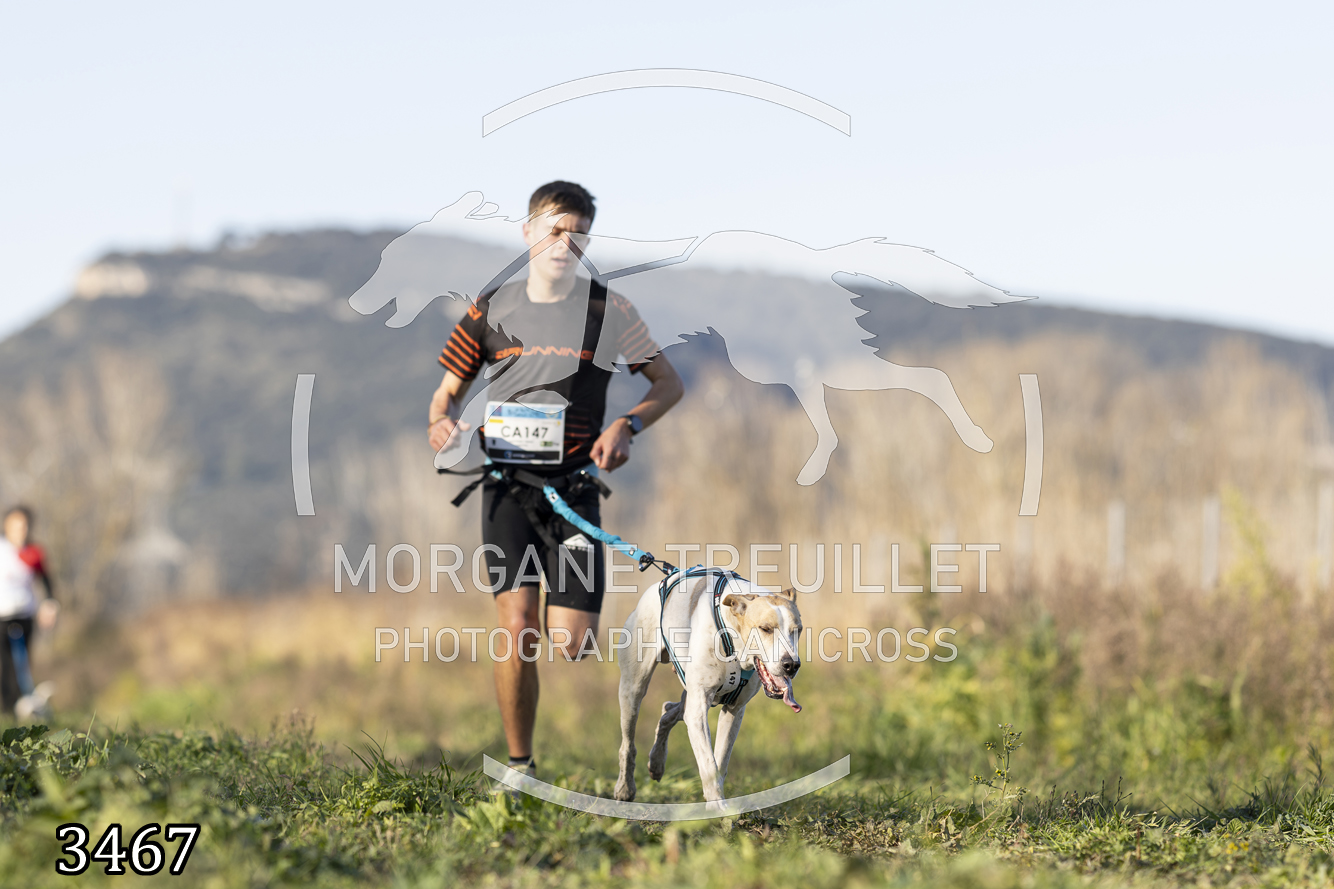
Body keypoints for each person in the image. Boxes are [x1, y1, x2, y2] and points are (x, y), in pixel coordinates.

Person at [427, 181, 684, 778]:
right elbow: (445, 396)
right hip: (506, 487)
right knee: (518, 628)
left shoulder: (610, 311)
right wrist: (442, 423)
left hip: (574, 491)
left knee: (572, 641)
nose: (564, 243)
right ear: (529, 232)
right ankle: (520, 767)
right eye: (554, 229)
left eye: (578, 234)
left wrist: (626, 425)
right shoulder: (489, 309)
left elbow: (668, 383)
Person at [0, 505, 58, 716]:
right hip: (2, 615)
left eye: (23, 526)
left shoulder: (33, 552)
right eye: (15, 525)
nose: (20, 530)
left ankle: (21, 706)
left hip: (25, 613)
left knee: (23, 661)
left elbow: (46, 580)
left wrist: (50, 605)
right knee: (5, 663)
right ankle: (8, 709)